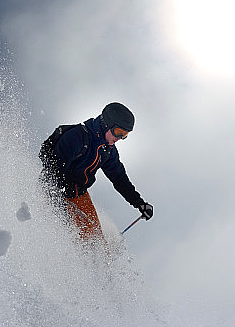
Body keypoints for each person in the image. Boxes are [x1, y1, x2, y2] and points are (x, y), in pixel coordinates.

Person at [40, 102, 153, 242]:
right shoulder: (77, 137)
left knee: (96, 240)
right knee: (68, 235)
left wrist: (139, 203)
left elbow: (120, 179)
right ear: (106, 124)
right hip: (54, 192)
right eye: (118, 132)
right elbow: (52, 168)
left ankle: (98, 256)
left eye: (125, 135)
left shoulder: (108, 151)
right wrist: (56, 197)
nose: (120, 138)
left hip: (79, 194)